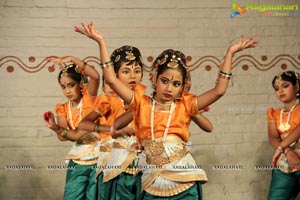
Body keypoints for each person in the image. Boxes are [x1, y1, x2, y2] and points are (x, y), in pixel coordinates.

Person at [81, 22, 256, 199]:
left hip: (185, 180)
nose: (169, 88)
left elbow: (219, 91)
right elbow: (110, 79)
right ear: (154, 78)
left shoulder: (185, 104)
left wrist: (230, 53)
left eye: (176, 84)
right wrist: (100, 42)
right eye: (164, 81)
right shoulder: (141, 102)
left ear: (182, 87)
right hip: (152, 182)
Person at [76, 21, 146, 200]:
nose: (133, 76)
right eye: (126, 71)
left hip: (144, 168)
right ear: (115, 75)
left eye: (137, 71)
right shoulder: (108, 103)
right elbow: (83, 123)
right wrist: (112, 130)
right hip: (117, 167)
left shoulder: (147, 99)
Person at [44, 56, 100, 200]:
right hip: (78, 158)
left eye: (71, 85)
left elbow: (95, 75)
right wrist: (55, 127)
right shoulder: (62, 108)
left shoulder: (90, 98)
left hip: (99, 157)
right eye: (63, 87)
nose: (67, 90)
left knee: (94, 196)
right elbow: (63, 136)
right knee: (72, 196)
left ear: (80, 84)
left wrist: (70, 58)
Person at [265, 71, 300, 200]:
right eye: (276, 88)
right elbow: (273, 138)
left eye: (285, 86)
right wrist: (287, 150)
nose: (280, 91)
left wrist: (281, 147)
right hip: (285, 163)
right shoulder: (274, 113)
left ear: (296, 87)